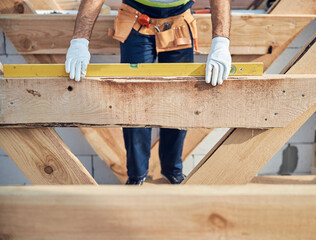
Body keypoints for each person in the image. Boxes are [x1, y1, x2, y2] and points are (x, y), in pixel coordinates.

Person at [65, 0, 231, 185]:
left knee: (179, 101)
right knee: (134, 100)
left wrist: (221, 41)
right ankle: (136, 175)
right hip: (136, 18)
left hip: (179, 22)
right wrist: (80, 40)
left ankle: (172, 170)